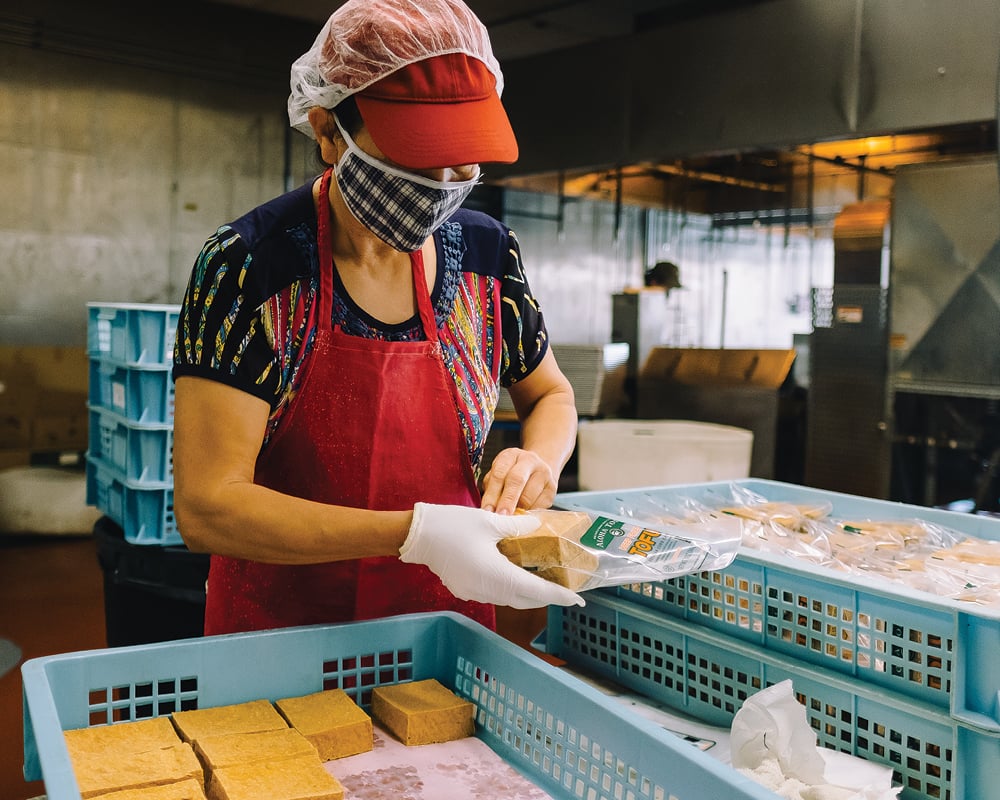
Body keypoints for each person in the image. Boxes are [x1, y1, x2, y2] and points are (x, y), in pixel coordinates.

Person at [171, 0, 584, 636]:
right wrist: (416, 533)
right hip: (282, 637)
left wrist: (540, 462)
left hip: (446, 626)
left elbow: (551, 394)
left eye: (464, 158)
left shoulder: (486, 256)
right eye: (417, 156)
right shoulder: (253, 265)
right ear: (327, 132)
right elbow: (209, 508)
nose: (445, 182)